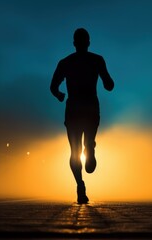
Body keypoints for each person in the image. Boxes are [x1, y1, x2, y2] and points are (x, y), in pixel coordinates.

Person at [50, 28, 114, 204]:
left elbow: (53, 86)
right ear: (88, 43)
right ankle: (90, 149)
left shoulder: (66, 63)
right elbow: (109, 84)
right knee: (81, 148)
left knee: (75, 151)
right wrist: (107, 82)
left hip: (74, 110)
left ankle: (80, 185)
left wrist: (58, 94)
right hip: (90, 109)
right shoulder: (97, 60)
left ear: (74, 43)